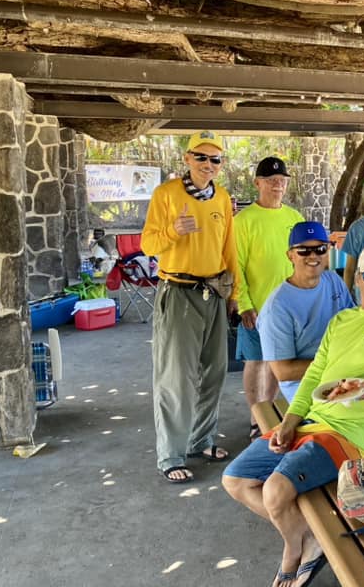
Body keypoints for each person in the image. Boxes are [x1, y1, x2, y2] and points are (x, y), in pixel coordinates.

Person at [222, 243, 364, 587]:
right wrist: (291, 419)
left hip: (351, 434)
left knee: (275, 492)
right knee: (235, 480)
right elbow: (315, 375)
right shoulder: (342, 319)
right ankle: (312, 537)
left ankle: (294, 551)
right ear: (357, 281)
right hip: (312, 421)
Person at [141, 130, 239, 484]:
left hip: (214, 291)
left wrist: (235, 295)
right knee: (176, 378)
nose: (208, 165)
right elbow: (148, 244)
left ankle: (201, 440)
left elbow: (230, 250)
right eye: (201, 157)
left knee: (214, 371)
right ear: (187, 158)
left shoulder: (223, 198)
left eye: (215, 159)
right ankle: (170, 454)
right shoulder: (166, 194)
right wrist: (173, 231)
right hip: (178, 291)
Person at [234, 156, 304, 440]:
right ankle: (255, 417)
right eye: (271, 181)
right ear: (258, 183)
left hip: (289, 308)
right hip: (257, 306)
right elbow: (235, 264)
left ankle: (271, 411)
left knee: (280, 363)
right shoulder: (243, 220)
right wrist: (244, 304)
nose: (278, 186)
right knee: (256, 362)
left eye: (282, 181)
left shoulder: (294, 218)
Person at [257, 221, 354, 402]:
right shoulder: (277, 308)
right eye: (303, 250)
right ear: (290, 255)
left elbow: (353, 322)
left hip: (343, 376)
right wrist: (338, 364)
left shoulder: (333, 280)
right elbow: (283, 371)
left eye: (320, 249)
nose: (313, 256)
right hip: (306, 390)